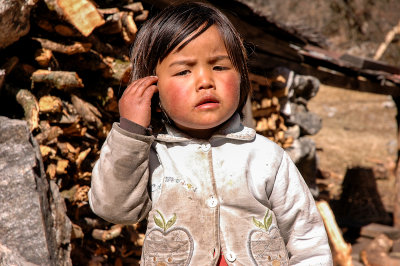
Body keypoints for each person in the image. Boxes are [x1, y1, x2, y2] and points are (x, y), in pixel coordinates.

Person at [89, 2, 333, 265]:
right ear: (152, 90)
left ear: (241, 76)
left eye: (219, 67)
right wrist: (130, 132)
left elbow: (308, 242)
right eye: (183, 71)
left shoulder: (266, 158)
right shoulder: (150, 157)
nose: (205, 81)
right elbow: (112, 208)